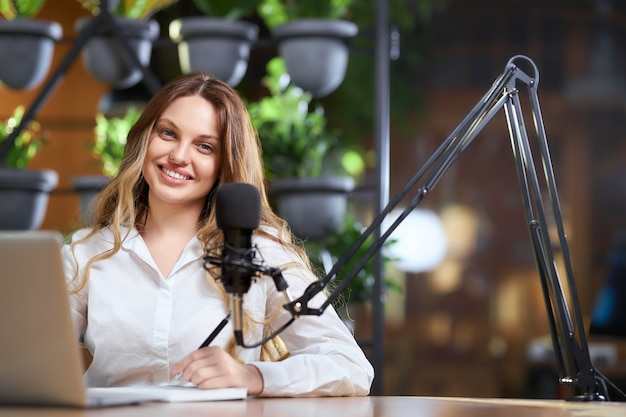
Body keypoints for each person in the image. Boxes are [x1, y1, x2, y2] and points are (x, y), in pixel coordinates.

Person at [62, 73, 374, 397]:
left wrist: (253, 377)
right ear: (145, 139)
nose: (179, 156)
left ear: (224, 163)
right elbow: (31, 358)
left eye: (204, 146)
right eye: (168, 133)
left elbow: (351, 367)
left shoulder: (259, 251)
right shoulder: (87, 253)